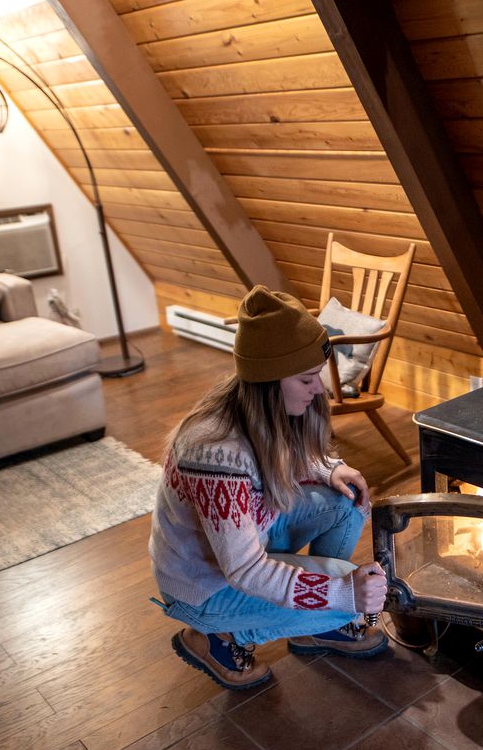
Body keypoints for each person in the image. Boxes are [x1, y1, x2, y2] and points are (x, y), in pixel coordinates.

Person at [149, 285, 388, 690]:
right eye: (308, 379)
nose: (320, 390)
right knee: (346, 599)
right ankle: (214, 636)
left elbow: (282, 454)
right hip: (208, 584)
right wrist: (342, 594)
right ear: (269, 380)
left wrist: (328, 469)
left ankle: (313, 624)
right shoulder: (214, 454)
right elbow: (244, 569)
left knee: (344, 502)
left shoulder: (257, 405)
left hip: (241, 543)